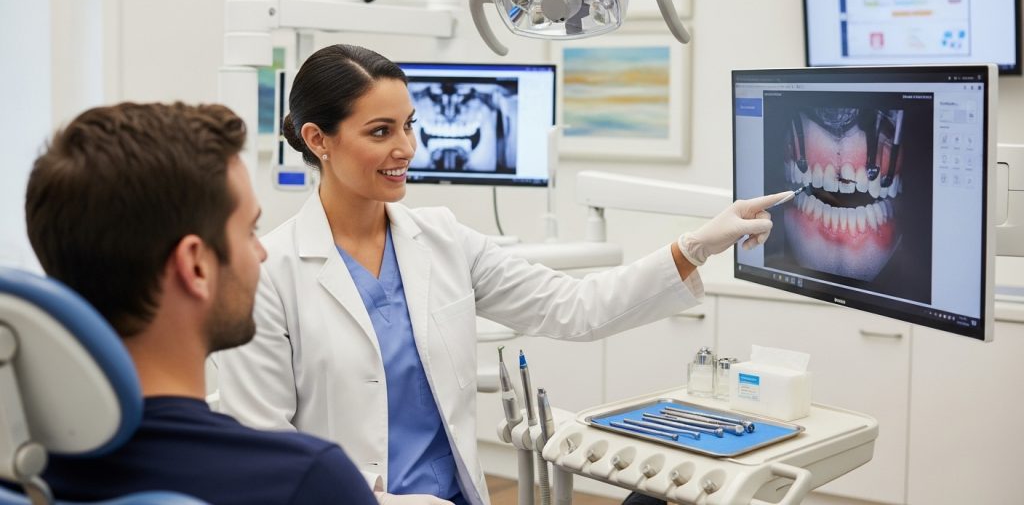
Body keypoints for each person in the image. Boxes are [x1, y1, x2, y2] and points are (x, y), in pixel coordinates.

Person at [213, 44, 790, 505]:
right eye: (381, 131)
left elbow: (576, 308)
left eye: (409, 125)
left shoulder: (439, 237)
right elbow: (266, 453)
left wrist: (696, 245)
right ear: (318, 140)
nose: (407, 148)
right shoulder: (270, 274)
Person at [22, 102, 378, 505]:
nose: (260, 253)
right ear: (195, 266)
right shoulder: (305, 481)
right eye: (249, 231)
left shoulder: (21, 471)